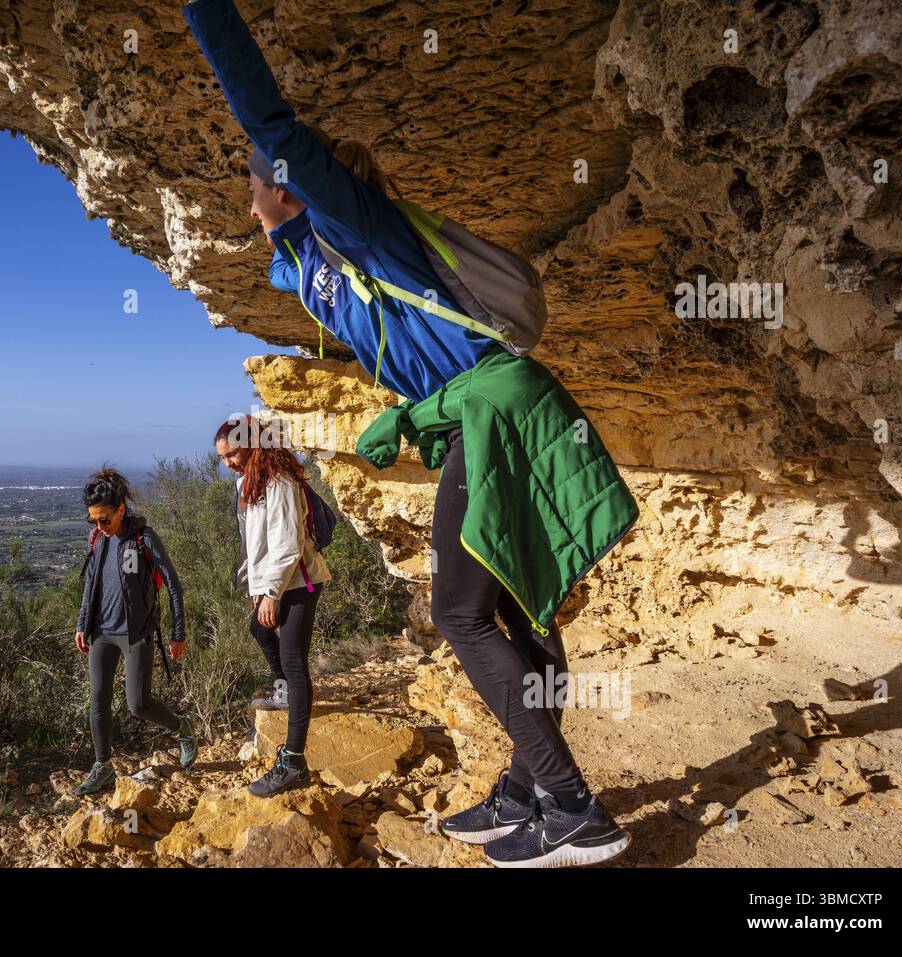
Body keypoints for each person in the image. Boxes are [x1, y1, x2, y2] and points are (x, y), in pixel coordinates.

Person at [185, 0, 638, 866]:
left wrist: (206, 14)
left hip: (501, 412)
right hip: (485, 413)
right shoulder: (319, 266)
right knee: (513, 605)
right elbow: (303, 271)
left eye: (253, 186)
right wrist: (412, 415)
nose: (247, 203)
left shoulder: (361, 229)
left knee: (460, 613)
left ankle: (573, 804)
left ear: (288, 182)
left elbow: (266, 118)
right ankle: (526, 784)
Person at [215, 416, 330, 797]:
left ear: (252, 444)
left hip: (298, 580)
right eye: (223, 457)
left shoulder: (279, 479)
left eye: (232, 453)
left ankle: (294, 761)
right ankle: (283, 692)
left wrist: (272, 593)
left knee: (295, 662)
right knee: (260, 630)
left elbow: (287, 543)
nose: (228, 461)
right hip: (278, 582)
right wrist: (255, 584)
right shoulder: (249, 482)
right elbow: (254, 543)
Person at [72, 467, 196, 795]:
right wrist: (82, 623)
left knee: (138, 704)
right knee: (97, 700)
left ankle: (180, 726)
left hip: (136, 633)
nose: (99, 526)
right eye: (94, 520)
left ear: (121, 510)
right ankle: (103, 767)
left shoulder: (143, 538)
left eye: (104, 519)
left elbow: (172, 583)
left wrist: (177, 632)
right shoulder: (98, 539)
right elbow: (91, 582)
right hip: (102, 633)